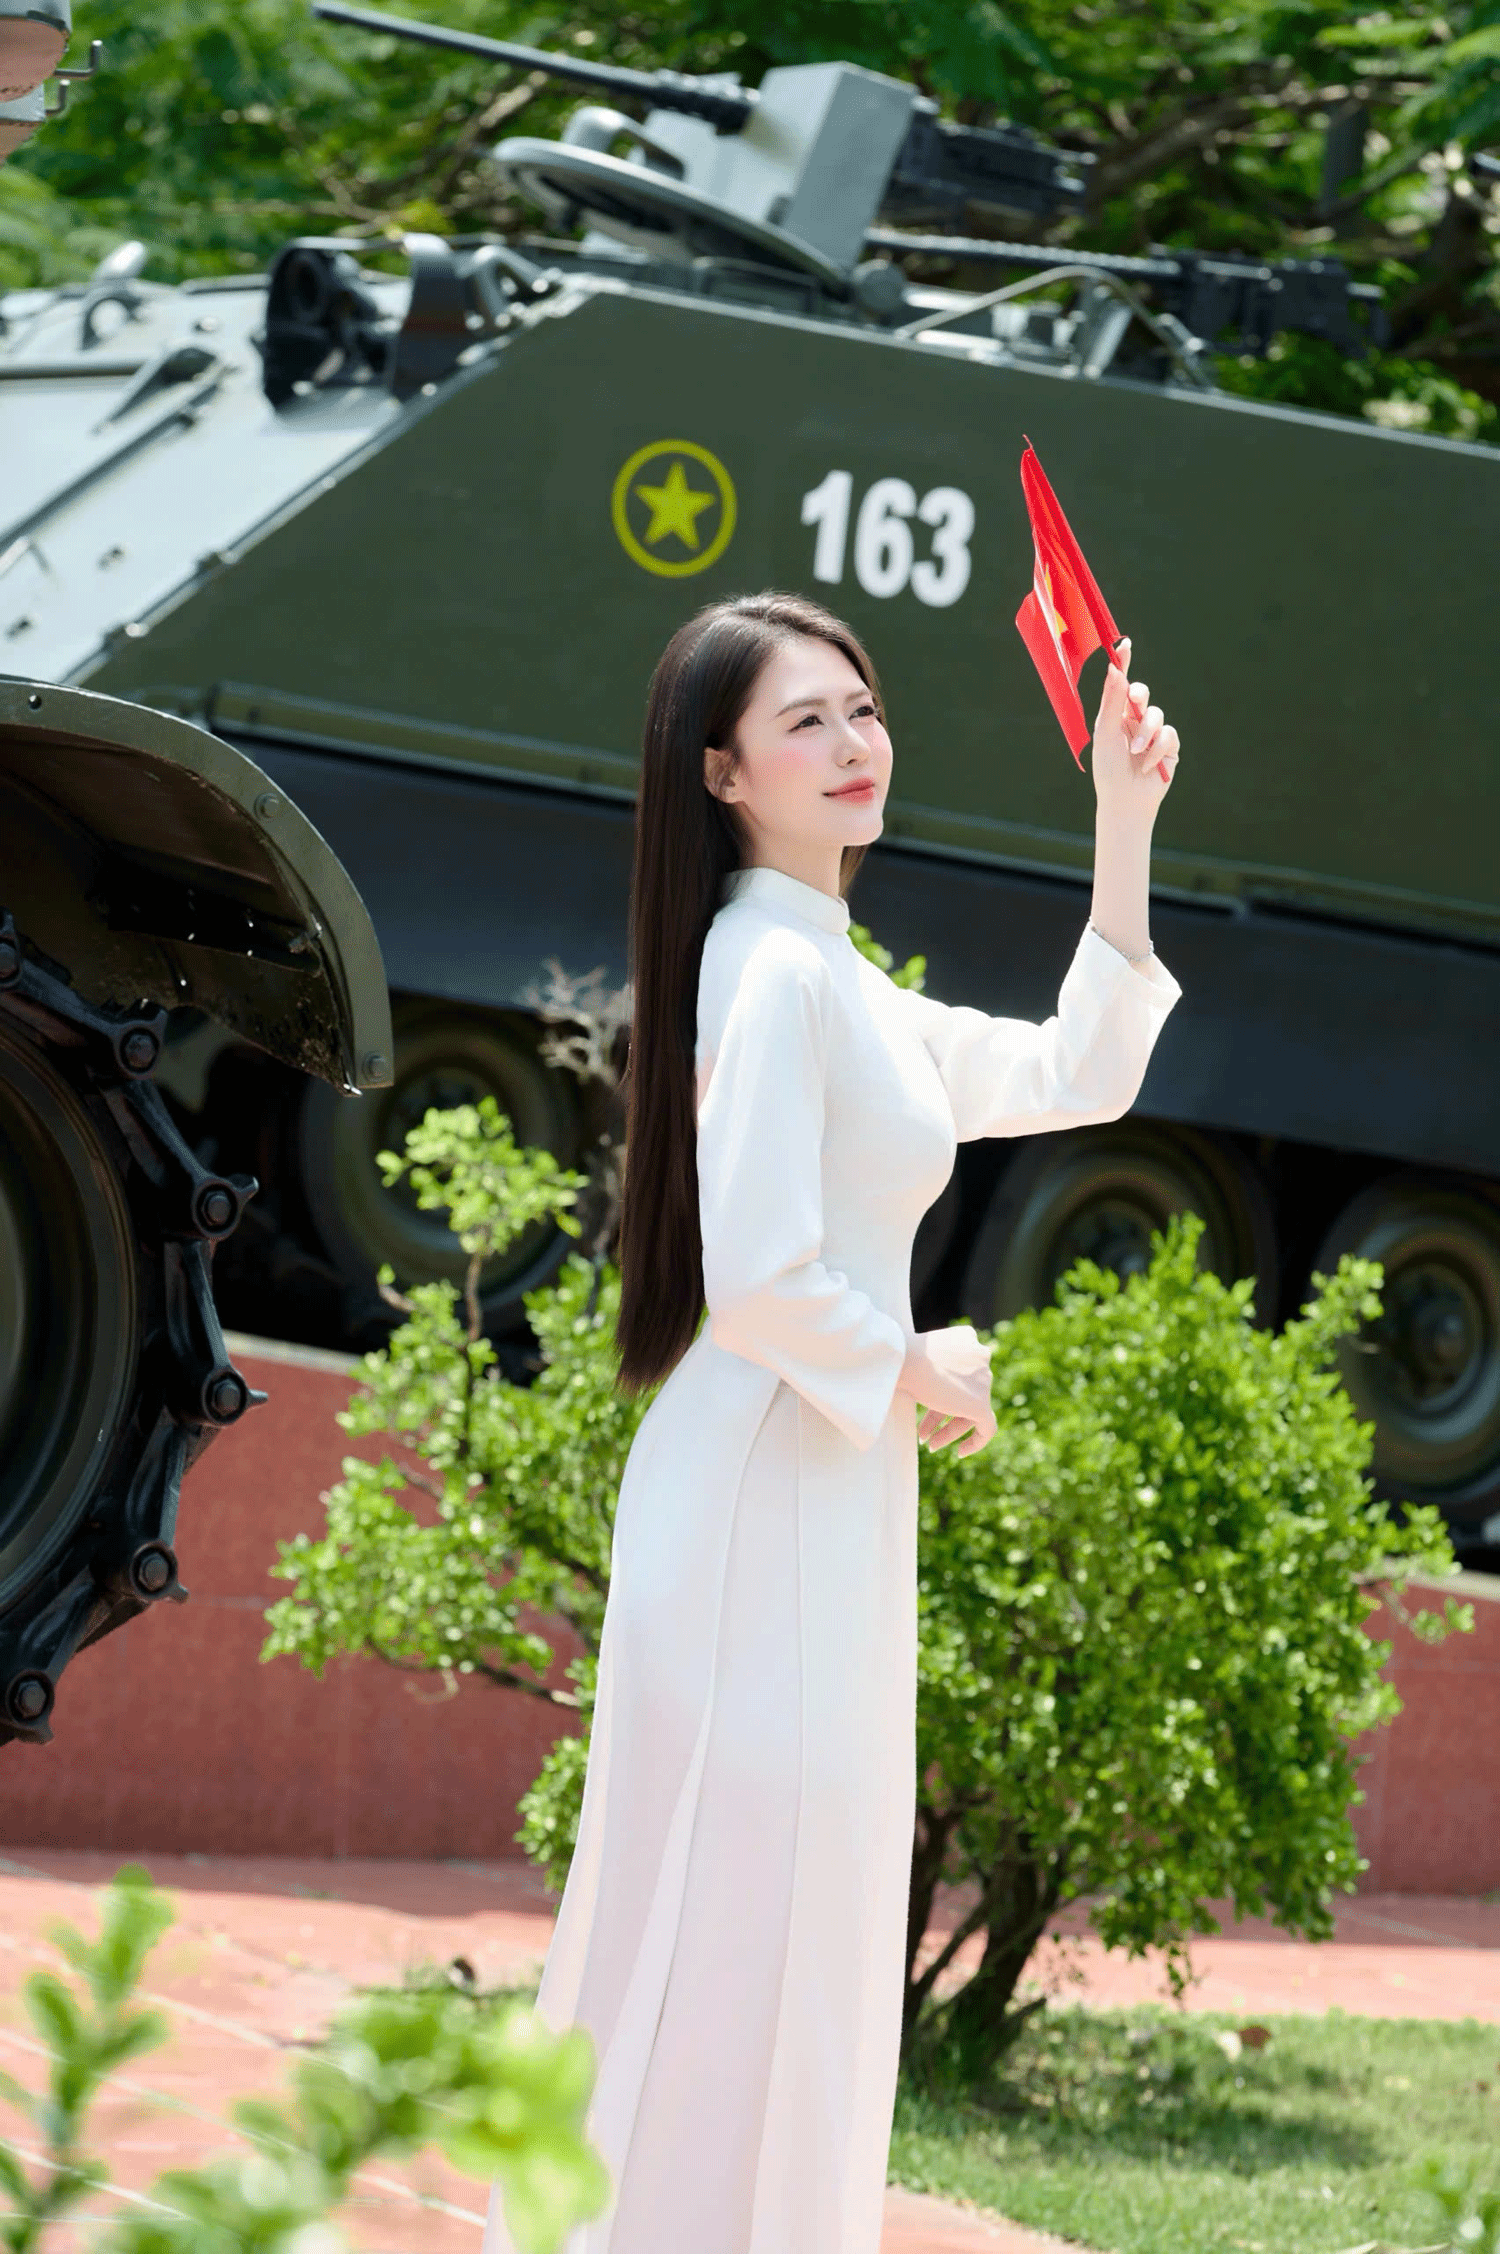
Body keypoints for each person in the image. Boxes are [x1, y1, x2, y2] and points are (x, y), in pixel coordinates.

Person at [482, 591, 1182, 2254]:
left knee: (791, 1906)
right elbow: (760, 1276)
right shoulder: (767, 968)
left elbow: (1076, 1071)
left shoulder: (833, 973)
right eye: (806, 720)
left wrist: (1123, 820)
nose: (856, 740)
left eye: (862, 708)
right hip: (758, 1487)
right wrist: (919, 1363)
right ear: (722, 771)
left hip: (822, 1477)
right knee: (737, 1906)